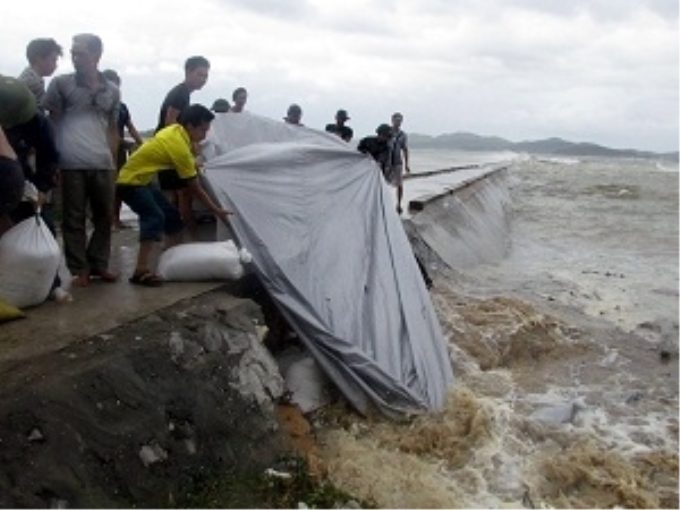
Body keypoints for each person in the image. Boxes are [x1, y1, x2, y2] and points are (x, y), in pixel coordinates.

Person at [116, 104, 232, 287]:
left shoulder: (176, 131)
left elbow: (186, 157)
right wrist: (217, 210)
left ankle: (168, 262)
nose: (204, 135)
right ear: (190, 126)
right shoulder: (178, 145)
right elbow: (195, 188)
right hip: (130, 183)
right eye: (203, 130)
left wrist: (195, 161)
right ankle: (140, 270)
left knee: (173, 221)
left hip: (143, 181)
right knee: (154, 217)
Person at [43, 33, 121, 288]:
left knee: (105, 216)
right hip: (71, 161)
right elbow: (53, 123)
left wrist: (113, 160)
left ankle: (99, 263)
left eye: (81, 54)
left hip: (102, 161)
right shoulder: (61, 85)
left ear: (97, 56)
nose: (75, 58)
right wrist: (53, 160)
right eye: (73, 53)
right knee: (73, 218)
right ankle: (80, 269)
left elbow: (112, 128)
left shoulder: (111, 90)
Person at [156, 56, 210, 236]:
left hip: (169, 149)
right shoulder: (180, 94)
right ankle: (189, 234)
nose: (202, 80)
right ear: (188, 72)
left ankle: (178, 232)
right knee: (184, 193)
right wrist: (188, 149)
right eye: (199, 75)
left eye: (205, 76)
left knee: (179, 195)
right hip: (169, 151)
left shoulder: (183, 93)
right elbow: (170, 123)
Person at [102, 69, 144, 230]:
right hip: (104, 150)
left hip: (119, 151)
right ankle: (106, 220)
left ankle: (116, 218)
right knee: (106, 186)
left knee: (119, 185)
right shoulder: (102, 107)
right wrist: (125, 143)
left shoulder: (122, 107)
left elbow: (130, 127)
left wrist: (141, 143)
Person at [17, 38, 63, 105]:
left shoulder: (29, 76)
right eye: (53, 60)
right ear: (40, 59)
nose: (56, 65)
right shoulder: (33, 83)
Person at [385, 112, 411, 214]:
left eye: (400, 121)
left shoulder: (403, 135)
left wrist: (407, 164)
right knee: (384, 183)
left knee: (399, 184)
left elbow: (405, 149)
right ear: (392, 121)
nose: (398, 123)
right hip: (386, 162)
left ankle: (399, 204)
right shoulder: (387, 132)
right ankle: (384, 202)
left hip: (397, 162)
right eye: (396, 120)